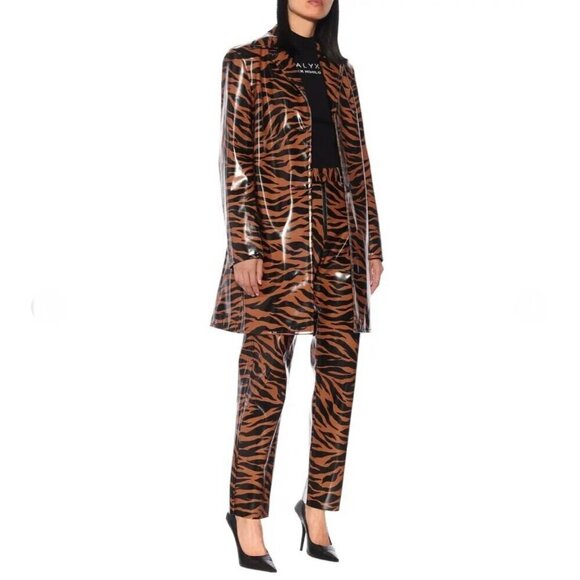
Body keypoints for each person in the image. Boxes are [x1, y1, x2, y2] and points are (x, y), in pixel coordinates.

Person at [210, 0, 384, 571]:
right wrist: (245, 246)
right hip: (276, 236)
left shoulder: (341, 71)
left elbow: (359, 163)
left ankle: (317, 509)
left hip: (340, 233)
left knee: (339, 376)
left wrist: (372, 244)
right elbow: (235, 158)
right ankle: (245, 513)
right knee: (263, 379)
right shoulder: (248, 61)